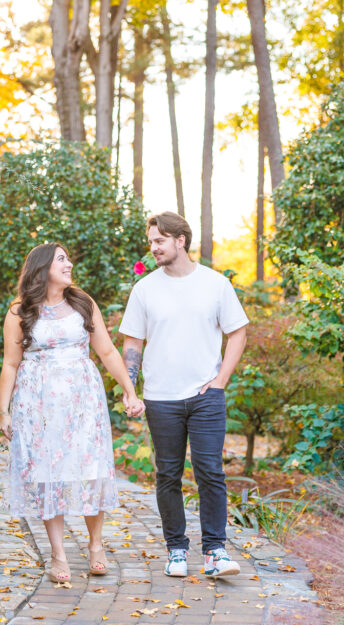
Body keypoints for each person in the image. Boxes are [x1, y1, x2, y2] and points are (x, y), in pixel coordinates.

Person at [0, 243, 145, 583]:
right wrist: (4, 411)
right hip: (39, 404)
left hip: (83, 400)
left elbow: (107, 351)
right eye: (61, 259)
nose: (69, 264)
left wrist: (129, 389)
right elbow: (10, 363)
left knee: (91, 468)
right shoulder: (20, 311)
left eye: (68, 258)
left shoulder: (82, 303)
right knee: (50, 473)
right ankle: (58, 554)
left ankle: (96, 546)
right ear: (42, 266)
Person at [119, 212, 248, 578]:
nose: (153, 248)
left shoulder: (215, 284)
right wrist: (131, 389)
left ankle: (215, 552)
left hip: (206, 394)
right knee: (168, 475)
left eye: (159, 241)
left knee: (210, 471)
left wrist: (221, 380)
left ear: (180, 240)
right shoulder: (145, 289)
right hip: (161, 398)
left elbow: (237, 332)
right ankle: (176, 550)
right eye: (150, 242)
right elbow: (133, 343)